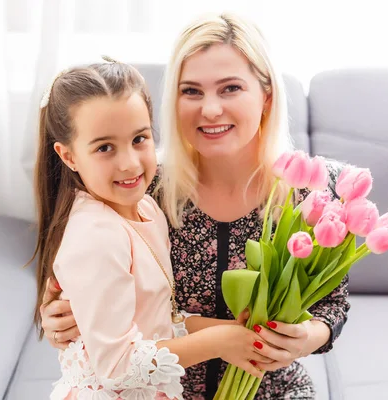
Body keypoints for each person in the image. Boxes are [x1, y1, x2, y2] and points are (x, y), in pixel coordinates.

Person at [40, 13, 350, 400]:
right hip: (161, 390)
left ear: (266, 94)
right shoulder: (142, 187)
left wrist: (304, 338)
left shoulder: (309, 192)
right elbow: (86, 266)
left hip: (271, 390)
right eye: (191, 91)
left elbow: (332, 304)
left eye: (230, 88)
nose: (211, 110)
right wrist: (55, 311)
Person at [32, 59, 269, 400]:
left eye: (139, 139)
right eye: (104, 148)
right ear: (68, 157)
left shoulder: (148, 208)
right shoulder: (96, 235)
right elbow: (116, 366)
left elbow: (157, 320)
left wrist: (232, 332)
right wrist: (217, 342)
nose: (129, 163)